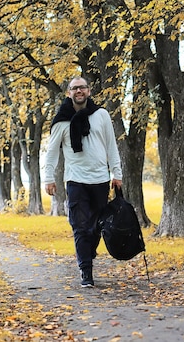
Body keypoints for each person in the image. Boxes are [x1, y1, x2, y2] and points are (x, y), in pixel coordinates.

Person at [43, 77, 123, 288]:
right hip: (76, 180)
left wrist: (117, 172)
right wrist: (48, 178)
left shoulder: (101, 115)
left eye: (82, 87)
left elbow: (111, 146)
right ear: (69, 93)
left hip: (100, 180)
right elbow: (52, 152)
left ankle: (88, 252)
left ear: (88, 91)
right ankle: (86, 272)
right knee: (80, 227)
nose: (79, 91)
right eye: (74, 88)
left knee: (96, 227)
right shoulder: (62, 121)